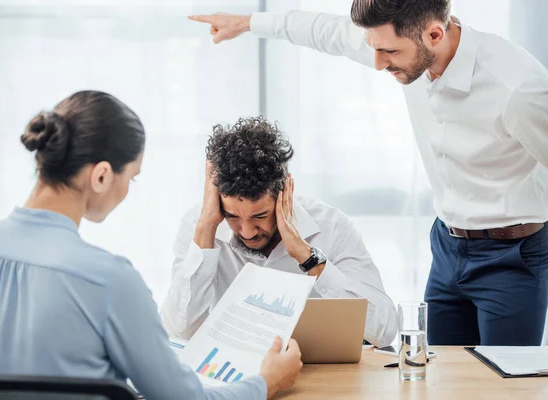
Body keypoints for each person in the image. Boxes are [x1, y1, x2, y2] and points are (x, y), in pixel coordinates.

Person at [187, 0, 548, 346]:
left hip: (514, 253)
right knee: (442, 377)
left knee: (504, 385)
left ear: (434, 35)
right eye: (373, 50)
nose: (378, 64)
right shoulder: (401, 46)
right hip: (448, 245)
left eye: (389, 54)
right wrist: (247, 23)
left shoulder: (519, 91)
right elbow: (324, 32)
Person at [0, 91, 302, 400]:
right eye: (132, 178)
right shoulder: (109, 280)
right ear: (101, 176)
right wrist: (266, 382)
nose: (127, 190)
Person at [160, 116, 398, 347]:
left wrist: (308, 257)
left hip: (319, 376)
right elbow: (181, 331)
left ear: (285, 192)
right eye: (232, 216)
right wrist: (206, 229)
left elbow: (384, 330)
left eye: (260, 216)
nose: (248, 232)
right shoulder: (199, 226)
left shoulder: (332, 227)